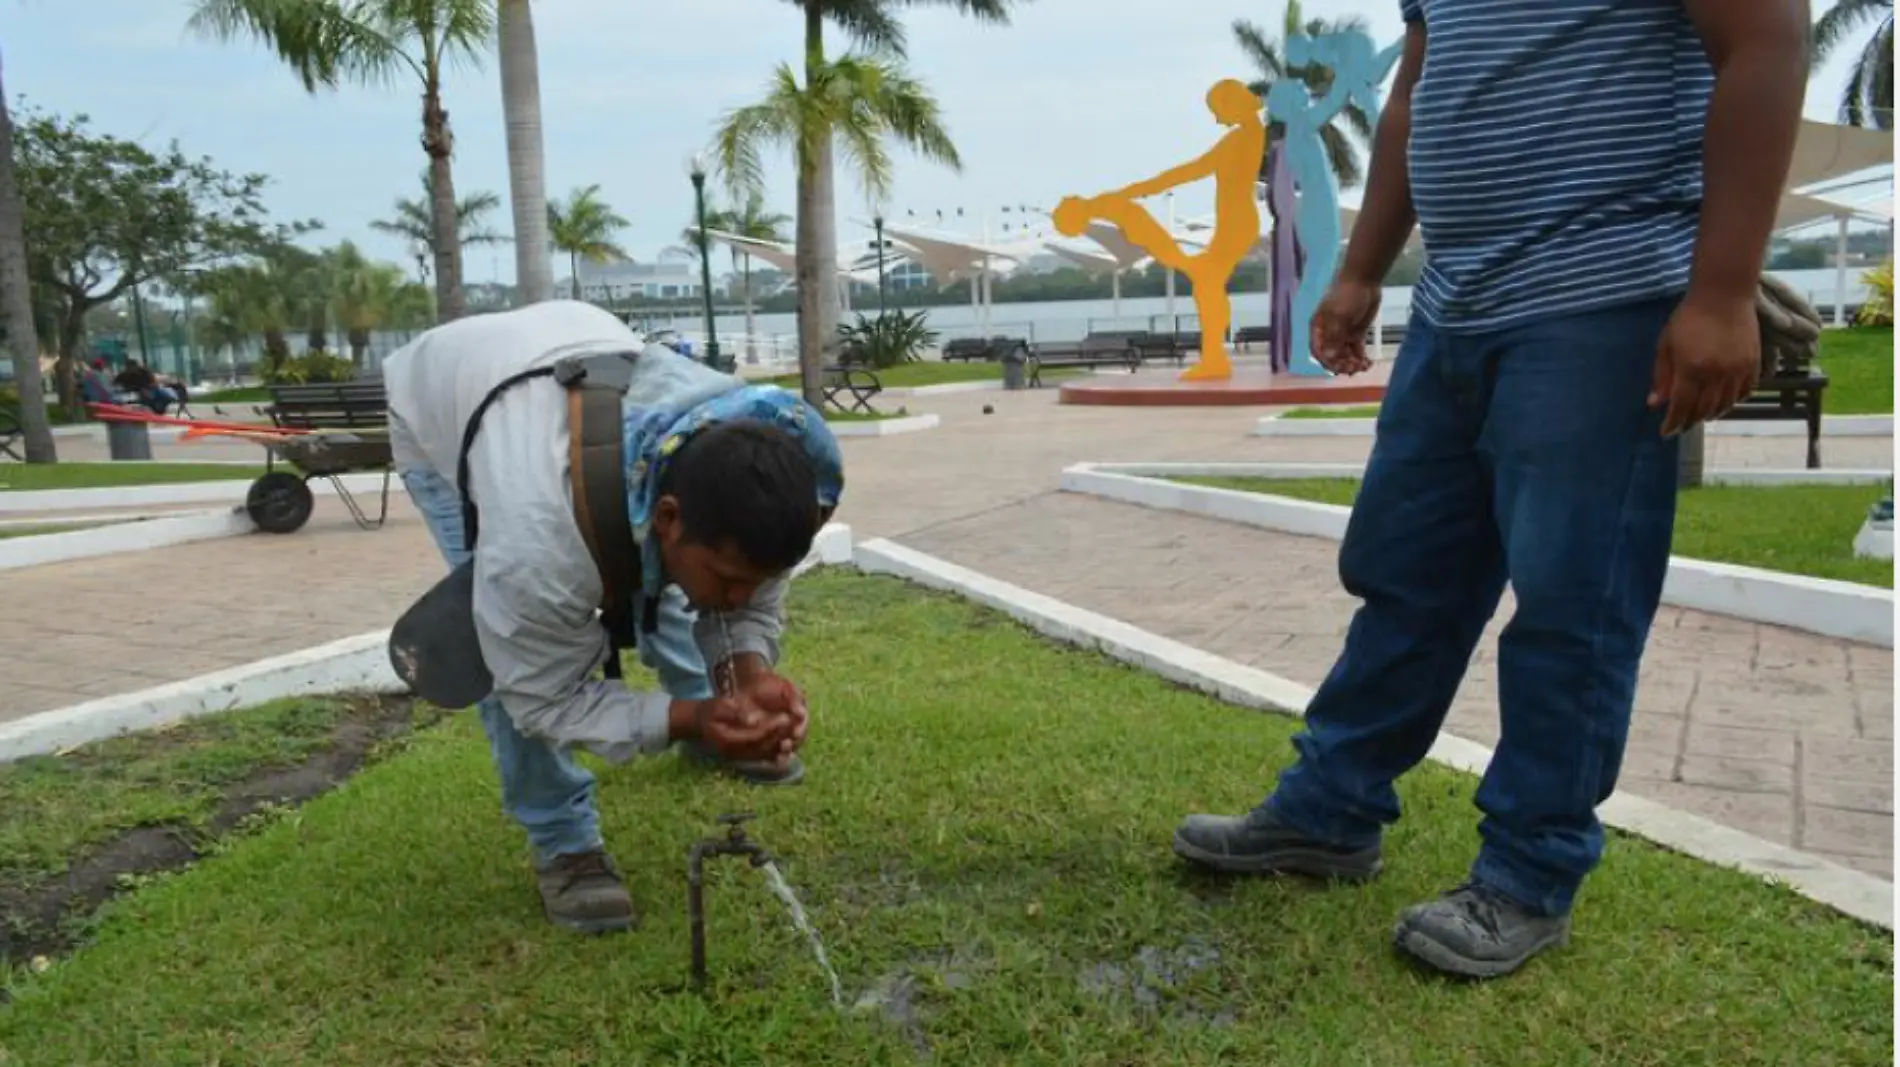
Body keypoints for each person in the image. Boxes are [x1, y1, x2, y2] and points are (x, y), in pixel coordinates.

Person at [1173, 0, 1808, 979]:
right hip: (1453, 302)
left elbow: (1765, 37)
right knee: (1402, 570)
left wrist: (1722, 289)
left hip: (1600, 295)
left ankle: (1527, 867)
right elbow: (1416, 92)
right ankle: (1330, 809)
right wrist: (1358, 269)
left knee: (1570, 601)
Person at [381, 299, 844, 935]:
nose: (744, 596)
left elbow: (748, 584)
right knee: (492, 637)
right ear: (669, 516)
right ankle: (565, 842)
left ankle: (717, 715)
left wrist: (746, 673)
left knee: (687, 581)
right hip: (443, 400)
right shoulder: (533, 544)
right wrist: (693, 721)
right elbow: (541, 697)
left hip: (575, 347)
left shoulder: (772, 464)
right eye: (733, 580)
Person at [1052, 78, 1266, 381]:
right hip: (1236, 222)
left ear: (1233, 105)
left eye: (1218, 110)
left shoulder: (1243, 137)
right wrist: (1137, 191)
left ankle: (1215, 358)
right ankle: (1215, 356)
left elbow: (1189, 172)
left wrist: (1137, 190)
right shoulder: (1245, 136)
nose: (1217, 119)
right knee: (1206, 284)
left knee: (1205, 282)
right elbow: (1188, 171)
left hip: (1238, 223)